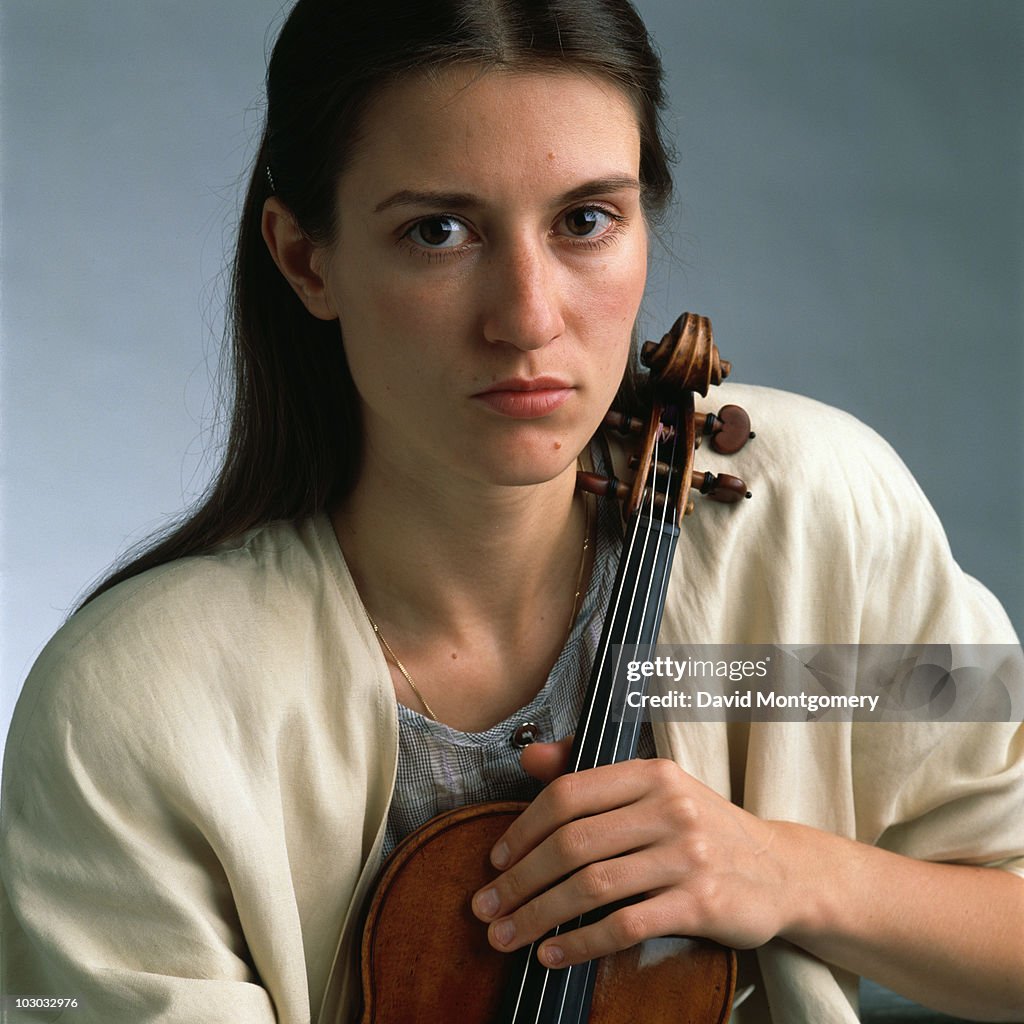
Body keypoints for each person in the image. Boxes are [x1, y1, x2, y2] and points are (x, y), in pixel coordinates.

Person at [2, 1, 1021, 1022]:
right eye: (438, 232)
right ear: (308, 260)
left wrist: (789, 871)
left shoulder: (813, 522)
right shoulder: (135, 708)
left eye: (585, 220)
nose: (528, 317)